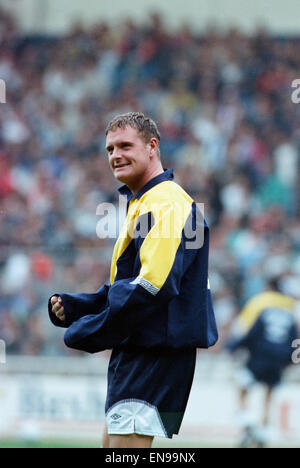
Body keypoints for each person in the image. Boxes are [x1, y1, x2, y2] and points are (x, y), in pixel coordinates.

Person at [49, 112, 218, 448]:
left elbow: (155, 286)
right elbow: (135, 281)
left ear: (152, 146)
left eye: (125, 145)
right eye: (110, 148)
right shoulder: (145, 201)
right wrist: (82, 306)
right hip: (142, 348)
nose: (115, 155)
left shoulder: (166, 201)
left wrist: (95, 329)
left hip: (154, 351)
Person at [226, 278, 299, 448]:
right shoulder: (290, 308)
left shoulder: (261, 304)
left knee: (242, 387)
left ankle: (248, 423)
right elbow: (295, 339)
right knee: (268, 397)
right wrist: (291, 361)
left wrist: (231, 347)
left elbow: (250, 332)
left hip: (259, 358)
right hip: (278, 361)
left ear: (269, 287)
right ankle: (264, 434)